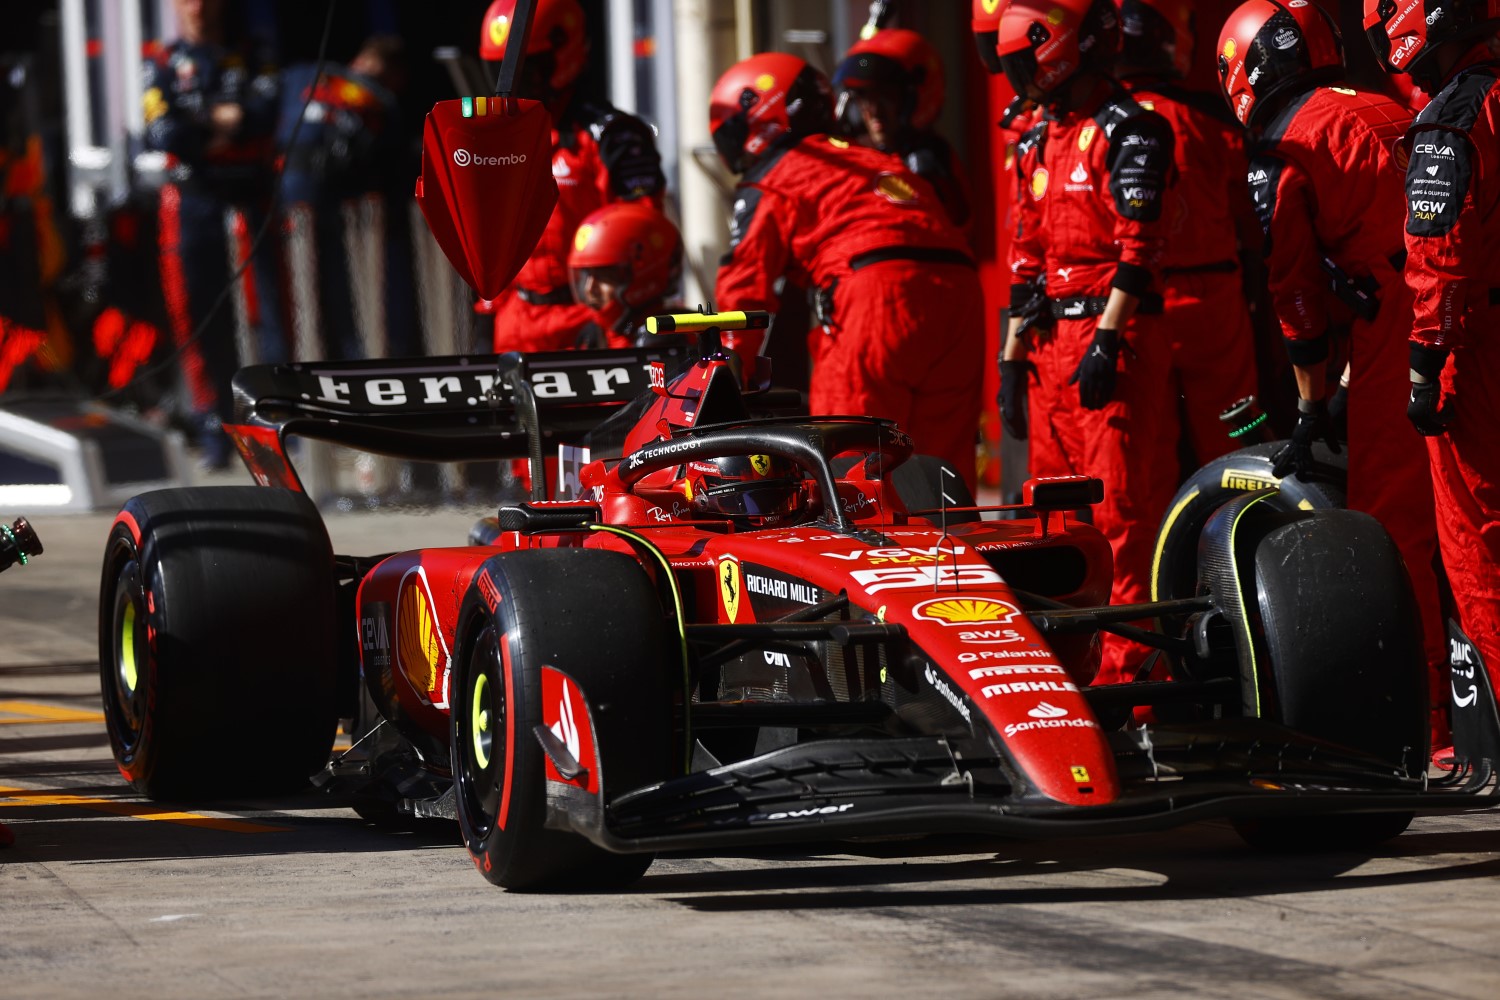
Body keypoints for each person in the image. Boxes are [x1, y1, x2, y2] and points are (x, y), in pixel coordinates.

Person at [1218, 0, 1448, 747]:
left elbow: (1296, 296)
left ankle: (1430, 726)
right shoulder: (1381, 104)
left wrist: (1313, 403)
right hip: (1454, 299)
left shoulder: (1283, 151)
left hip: (1410, 321)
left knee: (1393, 527)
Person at [990, 0, 1178, 683]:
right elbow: (1025, 256)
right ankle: (1065, 675)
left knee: (1120, 517)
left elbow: (1141, 246)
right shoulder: (1043, 135)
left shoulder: (1132, 129)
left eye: (1020, 63)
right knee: (1053, 518)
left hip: (1113, 337)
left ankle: (1132, 678)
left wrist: (1108, 337)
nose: (1016, 79)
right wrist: (1011, 361)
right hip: (1050, 345)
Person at [709, 52, 984, 488]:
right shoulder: (868, 158)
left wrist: (727, 373)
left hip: (877, 294)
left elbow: (744, 283)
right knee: (943, 473)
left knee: (851, 461)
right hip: (960, 292)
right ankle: (957, 552)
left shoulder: (776, 174)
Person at [1364, 0, 1500, 737]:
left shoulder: (1450, 119)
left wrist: (1423, 366)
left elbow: (1441, 263)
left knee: (1482, 552)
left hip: (1480, 355)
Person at [477, 0, 666, 354]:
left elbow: (643, 241)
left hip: (589, 322)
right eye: (499, 70)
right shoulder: (496, 139)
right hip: (516, 321)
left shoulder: (612, 137)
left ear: (561, 57)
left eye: (527, 69)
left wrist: (608, 320)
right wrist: (487, 318)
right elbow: (490, 243)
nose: (513, 84)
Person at [1116, 0, 1259, 466]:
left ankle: (1157, 537)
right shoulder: (1213, 118)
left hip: (1131, 300)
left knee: (1143, 451)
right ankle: (1242, 532)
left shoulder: (1099, 122)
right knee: (1236, 434)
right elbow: (1255, 212)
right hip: (1213, 300)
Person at [144, 0, 284, 468]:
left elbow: (266, 114)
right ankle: (213, 428)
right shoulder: (162, 61)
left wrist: (202, 122)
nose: (198, 7)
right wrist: (224, 122)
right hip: (191, 201)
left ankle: (277, 421)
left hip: (250, 195)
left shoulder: (254, 54)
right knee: (197, 316)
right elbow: (163, 132)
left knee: (267, 309)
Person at [277, 37, 401, 361]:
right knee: (296, 297)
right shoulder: (306, 76)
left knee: (339, 296)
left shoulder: (375, 101)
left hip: (338, 211)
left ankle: (348, 364)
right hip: (291, 206)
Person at [832, 28, 972, 228]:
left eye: (885, 96)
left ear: (915, 97)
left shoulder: (925, 163)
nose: (874, 110)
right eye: (865, 97)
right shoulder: (865, 153)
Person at [567, 201, 683, 348]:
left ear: (642, 275)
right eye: (586, 275)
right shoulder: (592, 338)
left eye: (604, 277)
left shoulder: (688, 340)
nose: (589, 289)